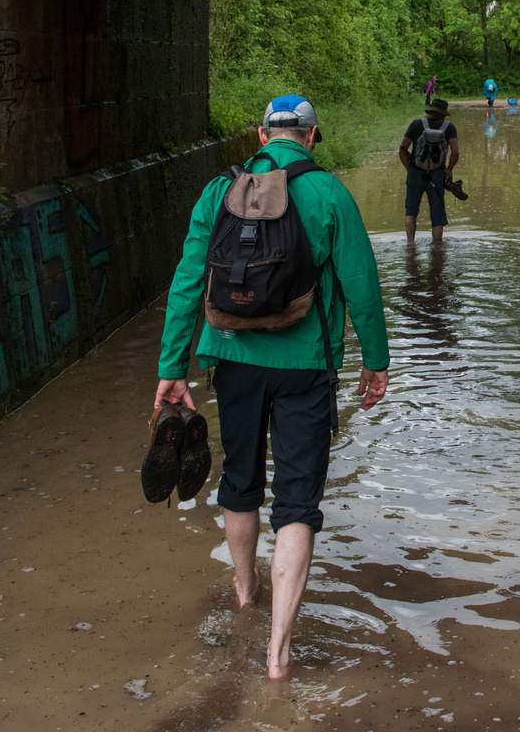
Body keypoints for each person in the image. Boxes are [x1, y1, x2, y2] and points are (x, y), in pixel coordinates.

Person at [155, 94, 390, 679]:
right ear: (312, 137)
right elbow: (361, 282)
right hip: (305, 365)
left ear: (261, 134)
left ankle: (243, 591)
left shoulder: (219, 192)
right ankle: (278, 652)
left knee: (239, 480)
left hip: (230, 359)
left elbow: (189, 281)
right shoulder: (330, 192)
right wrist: (376, 361)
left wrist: (171, 368)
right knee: (298, 503)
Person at [400, 97, 459, 242]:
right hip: (437, 176)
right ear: (443, 114)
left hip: (415, 173)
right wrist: (450, 169)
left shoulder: (416, 124)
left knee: (411, 212)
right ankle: (437, 249)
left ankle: (410, 246)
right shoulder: (449, 128)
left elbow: (402, 150)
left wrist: (410, 170)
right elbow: (455, 153)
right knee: (437, 215)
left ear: (430, 112)